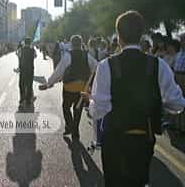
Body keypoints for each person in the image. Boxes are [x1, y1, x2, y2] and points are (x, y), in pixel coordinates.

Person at [86, 11, 185, 187]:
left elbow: (99, 110)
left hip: (114, 141)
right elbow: (177, 104)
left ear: (118, 36)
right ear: (141, 35)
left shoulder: (106, 66)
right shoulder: (158, 65)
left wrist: (90, 104)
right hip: (143, 140)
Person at [40, 35, 98, 139]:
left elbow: (58, 72)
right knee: (78, 110)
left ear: (71, 44)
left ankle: (70, 126)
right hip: (82, 89)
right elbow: (96, 66)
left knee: (66, 107)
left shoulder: (68, 56)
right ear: (81, 44)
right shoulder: (87, 55)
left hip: (69, 88)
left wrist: (49, 83)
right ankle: (75, 131)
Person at [18, 37, 37, 105]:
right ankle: (28, 100)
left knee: (21, 84)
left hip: (23, 70)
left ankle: (22, 98)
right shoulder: (33, 50)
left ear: (24, 42)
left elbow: (18, 55)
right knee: (29, 84)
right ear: (30, 43)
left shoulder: (21, 49)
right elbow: (35, 56)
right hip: (30, 69)